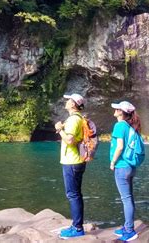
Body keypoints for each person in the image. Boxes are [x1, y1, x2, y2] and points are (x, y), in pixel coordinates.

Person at [55, 93, 86, 239]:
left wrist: (59, 129)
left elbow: (70, 140)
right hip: (76, 160)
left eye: (68, 100)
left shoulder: (74, 119)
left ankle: (77, 228)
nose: (66, 101)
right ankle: (76, 225)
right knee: (76, 194)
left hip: (72, 161)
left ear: (73, 104)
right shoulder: (78, 118)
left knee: (73, 195)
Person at [110, 100, 142, 242]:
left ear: (121, 112)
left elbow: (120, 147)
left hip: (122, 166)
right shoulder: (130, 126)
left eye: (117, 108)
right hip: (131, 166)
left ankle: (130, 230)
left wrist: (113, 162)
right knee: (129, 197)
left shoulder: (119, 125)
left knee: (126, 199)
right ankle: (126, 225)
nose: (115, 110)